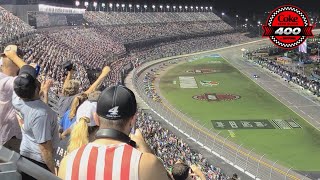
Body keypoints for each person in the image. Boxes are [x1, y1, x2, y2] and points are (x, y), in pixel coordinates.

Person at [58, 85, 171, 180]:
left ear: (96, 119)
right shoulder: (146, 163)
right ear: (132, 121)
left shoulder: (67, 162)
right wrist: (145, 149)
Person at [12, 64, 59, 178]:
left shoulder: (17, 99)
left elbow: (39, 107)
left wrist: (44, 92)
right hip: (39, 161)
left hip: (25, 155)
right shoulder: (41, 114)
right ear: (37, 89)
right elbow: (44, 149)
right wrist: (53, 172)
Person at [0, 45, 27, 153]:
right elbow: (29, 74)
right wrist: (16, 58)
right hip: (8, 139)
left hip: (9, 134)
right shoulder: (7, 81)